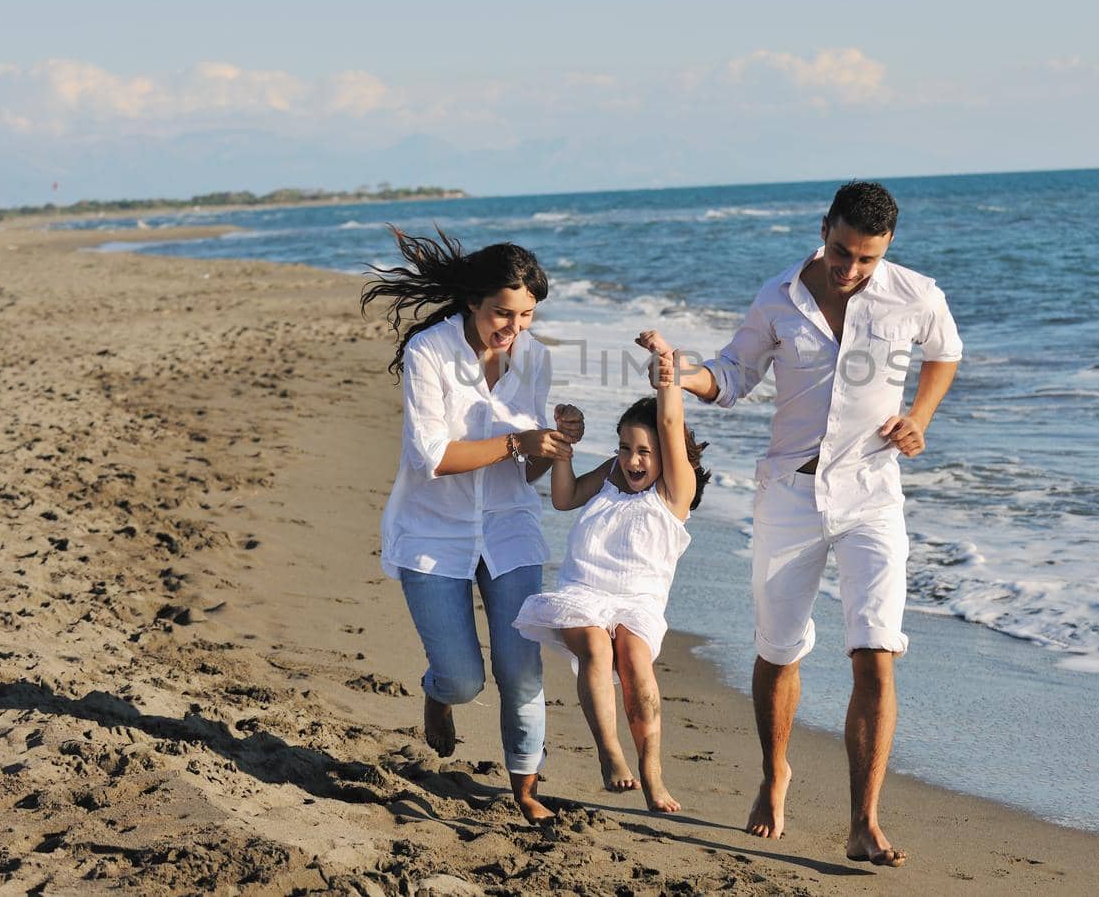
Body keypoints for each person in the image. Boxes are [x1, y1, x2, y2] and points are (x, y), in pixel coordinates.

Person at [669, 182, 961, 865]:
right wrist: (683, 374)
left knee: (876, 652)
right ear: (823, 227)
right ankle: (776, 774)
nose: (850, 270)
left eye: (865, 259)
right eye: (840, 251)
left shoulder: (915, 293)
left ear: (886, 248)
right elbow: (732, 375)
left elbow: (945, 351)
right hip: (788, 497)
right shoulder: (778, 296)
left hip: (872, 494)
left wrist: (919, 417)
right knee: (778, 649)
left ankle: (864, 819)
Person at [360, 226, 583, 823]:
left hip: (511, 528)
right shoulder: (429, 353)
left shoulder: (535, 359)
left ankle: (525, 789)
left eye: (527, 315)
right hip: (432, 533)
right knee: (463, 680)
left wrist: (554, 445)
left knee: (521, 668)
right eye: (501, 315)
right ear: (472, 304)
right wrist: (517, 440)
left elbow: (528, 473)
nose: (513, 330)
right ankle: (438, 696)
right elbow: (433, 457)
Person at [512, 330, 710, 814]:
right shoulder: (609, 476)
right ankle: (609, 752)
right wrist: (563, 454)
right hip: (583, 592)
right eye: (624, 448)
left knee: (635, 659)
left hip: (638, 603)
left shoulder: (673, 495)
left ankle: (652, 769)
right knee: (598, 646)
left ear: (668, 455)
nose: (632, 459)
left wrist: (666, 362)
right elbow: (562, 498)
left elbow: (668, 417)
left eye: (643, 451)